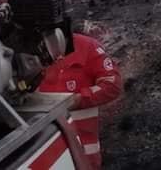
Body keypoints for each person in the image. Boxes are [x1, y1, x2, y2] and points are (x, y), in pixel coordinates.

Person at [37, 31, 123, 170]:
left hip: (84, 157)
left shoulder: (85, 46)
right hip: (43, 156)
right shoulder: (20, 52)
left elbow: (112, 85)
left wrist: (76, 100)